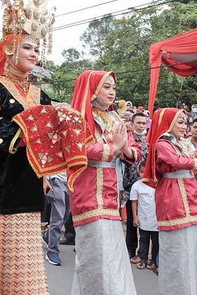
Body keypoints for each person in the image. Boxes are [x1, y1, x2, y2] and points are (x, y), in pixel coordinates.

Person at [0, 0, 55, 294]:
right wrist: (20, 136)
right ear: (10, 49)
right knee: (7, 278)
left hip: (31, 190)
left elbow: (47, 138)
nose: (33, 53)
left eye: (36, 48)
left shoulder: (40, 94)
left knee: (31, 277)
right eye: (26, 47)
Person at [69, 70, 141, 295]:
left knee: (110, 254)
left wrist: (124, 148)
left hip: (112, 193)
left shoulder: (115, 118)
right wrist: (114, 148)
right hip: (89, 192)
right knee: (95, 255)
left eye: (113, 88)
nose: (112, 92)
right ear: (92, 90)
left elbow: (134, 151)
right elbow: (77, 149)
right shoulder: (77, 117)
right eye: (106, 87)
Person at [143, 108, 197, 295]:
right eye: (180, 122)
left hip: (190, 194)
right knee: (176, 251)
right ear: (167, 123)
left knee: (190, 250)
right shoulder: (162, 143)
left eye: (185, 122)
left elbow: (195, 163)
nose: (185, 126)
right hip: (172, 196)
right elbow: (175, 161)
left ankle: (190, 290)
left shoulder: (184, 143)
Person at [123, 112, 148, 263]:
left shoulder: (148, 143)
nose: (140, 126)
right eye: (138, 123)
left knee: (145, 218)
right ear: (132, 124)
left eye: (143, 123)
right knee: (132, 219)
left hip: (145, 186)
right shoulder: (127, 140)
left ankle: (143, 253)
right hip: (129, 186)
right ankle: (130, 250)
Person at [129, 162, 158, 271]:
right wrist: (135, 217)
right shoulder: (137, 185)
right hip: (143, 218)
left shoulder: (158, 184)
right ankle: (143, 259)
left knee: (156, 241)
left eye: (146, 172)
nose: (143, 175)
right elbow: (134, 202)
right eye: (141, 172)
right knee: (143, 239)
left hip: (156, 219)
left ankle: (154, 261)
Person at [42, 172, 70, 266]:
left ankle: (48, 236)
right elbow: (44, 157)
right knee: (58, 216)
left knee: (66, 215)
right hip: (55, 179)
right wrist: (45, 179)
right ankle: (52, 251)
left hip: (70, 180)